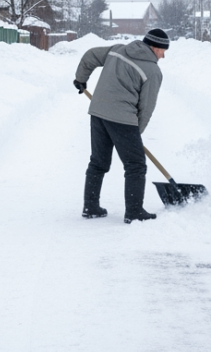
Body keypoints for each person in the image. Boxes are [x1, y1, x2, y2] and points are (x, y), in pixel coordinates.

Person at [72, 28, 169, 223]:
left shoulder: (117, 50)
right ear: (153, 47)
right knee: (136, 165)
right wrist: (135, 133)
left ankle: (90, 206)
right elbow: (146, 108)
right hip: (123, 119)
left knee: (98, 162)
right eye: (162, 50)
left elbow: (90, 55)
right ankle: (134, 212)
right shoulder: (153, 71)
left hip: (98, 112)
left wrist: (81, 79)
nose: (164, 56)